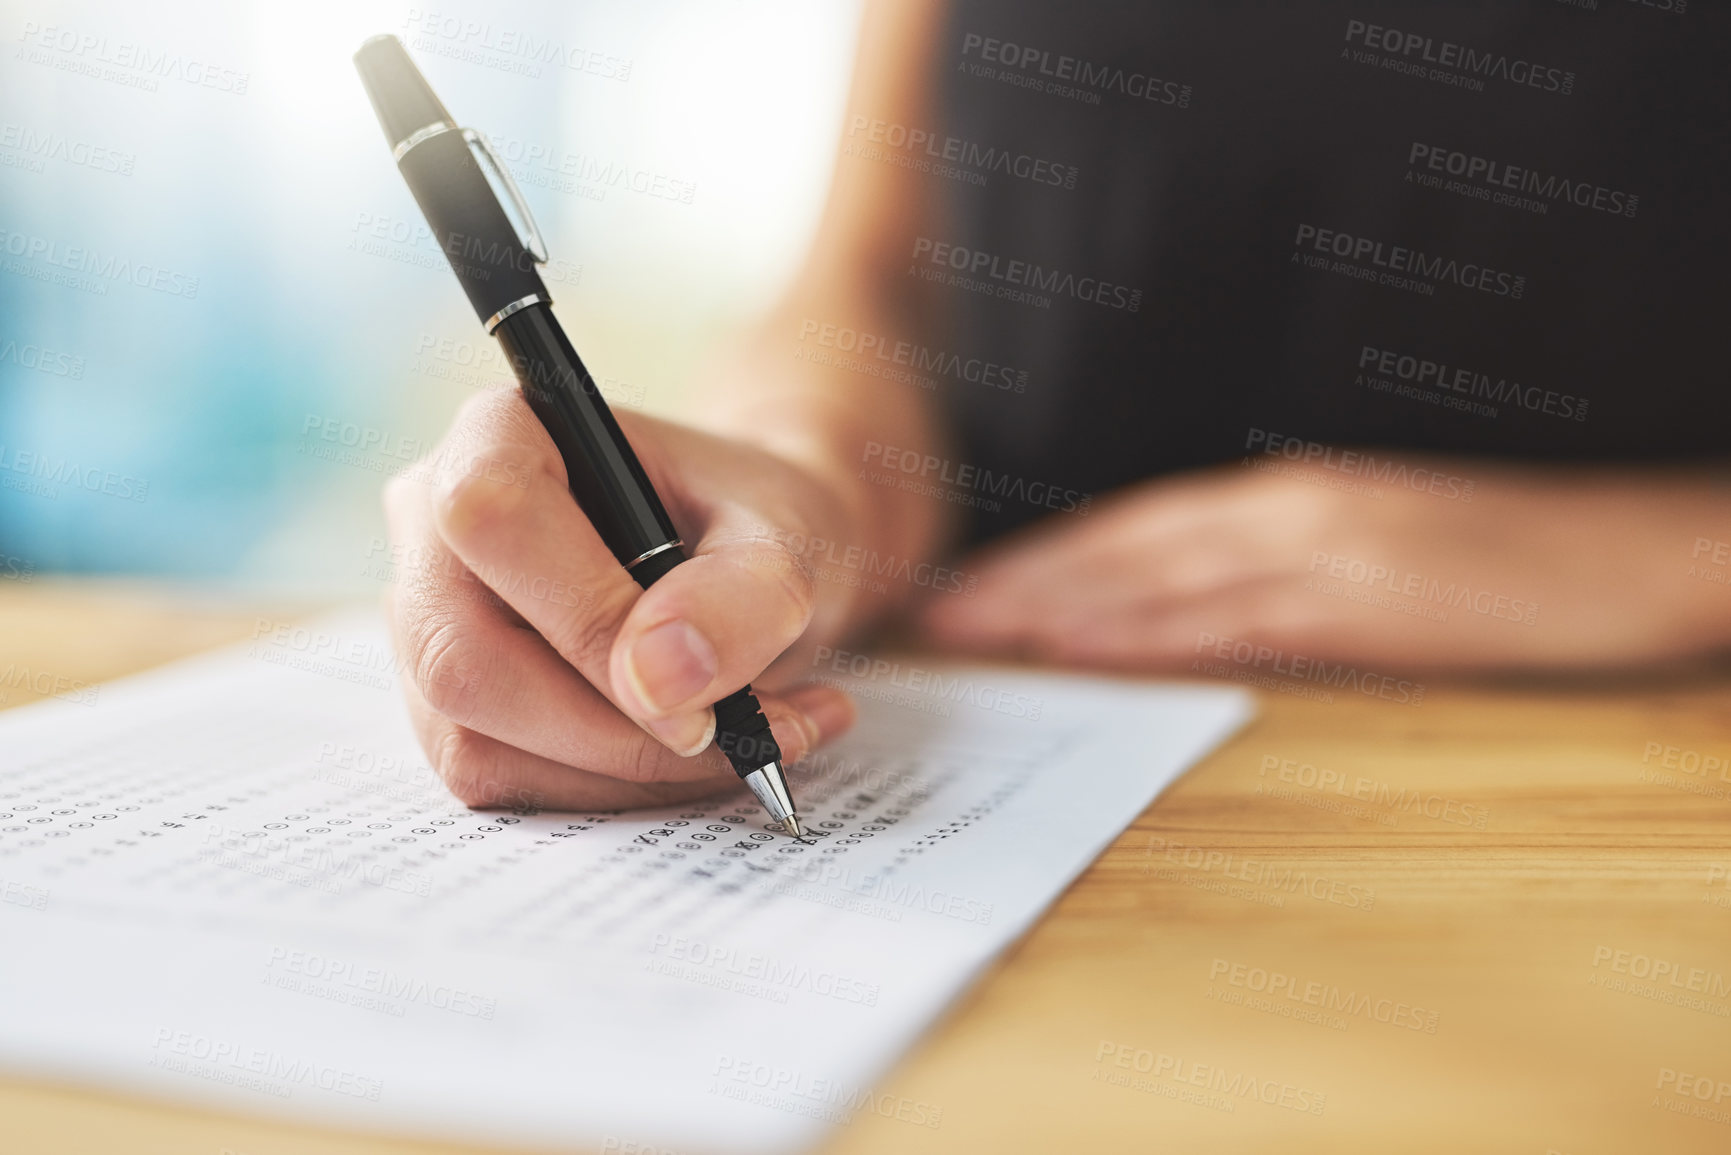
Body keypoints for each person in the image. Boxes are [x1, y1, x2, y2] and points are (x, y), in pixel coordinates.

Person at [381, 0, 1731, 811]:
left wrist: (1659, 559)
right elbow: (875, 277)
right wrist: (806, 490)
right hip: (995, 720)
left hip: (1627, 780)